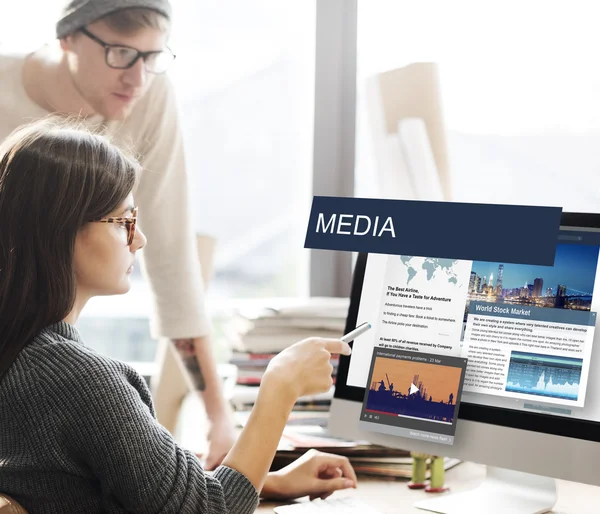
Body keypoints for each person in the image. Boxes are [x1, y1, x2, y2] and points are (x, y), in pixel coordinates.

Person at [0, 118, 357, 513]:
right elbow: (208, 510)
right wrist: (280, 388)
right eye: (124, 222)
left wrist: (266, 482)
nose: (140, 239)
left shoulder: (23, 357)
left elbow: (97, 489)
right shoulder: (78, 380)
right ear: (61, 231)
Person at [0, 0, 236, 468]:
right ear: (67, 37)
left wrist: (217, 416)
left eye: (153, 58)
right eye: (121, 54)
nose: (138, 78)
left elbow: (170, 256)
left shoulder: (150, 93)